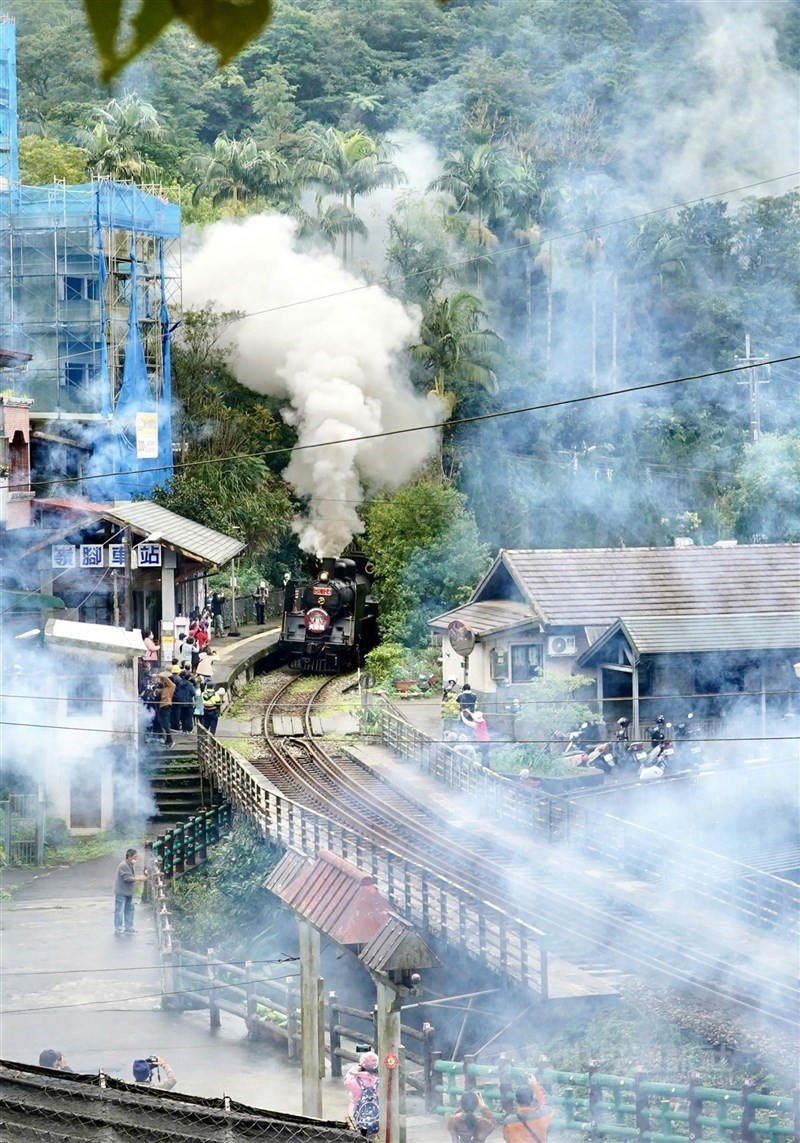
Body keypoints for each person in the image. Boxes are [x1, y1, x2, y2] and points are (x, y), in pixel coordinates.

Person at [502, 1077, 552, 1143]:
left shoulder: (509, 1122)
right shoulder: (543, 1115)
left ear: (516, 1101)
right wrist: (535, 1085)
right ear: (532, 1101)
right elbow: (547, 1103)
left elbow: (507, 1138)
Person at [344, 1051, 380, 1139]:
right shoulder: (380, 1081)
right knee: (373, 1138)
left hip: (356, 1117)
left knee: (356, 1138)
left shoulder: (353, 1082)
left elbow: (346, 1078)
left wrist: (356, 1069)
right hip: (375, 1118)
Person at [113, 848, 147, 935]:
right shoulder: (123, 865)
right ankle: (118, 927)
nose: (136, 859)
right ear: (129, 857)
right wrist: (139, 878)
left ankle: (129, 927)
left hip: (128, 892)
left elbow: (131, 877)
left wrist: (138, 879)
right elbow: (127, 878)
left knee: (129, 909)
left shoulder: (129, 864)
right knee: (119, 910)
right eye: (135, 857)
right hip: (121, 891)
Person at [154, 671, 175, 746]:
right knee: (163, 724)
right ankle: (167, 740)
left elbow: (165, 678)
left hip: (166, 706)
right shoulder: (164, 688)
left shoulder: (172, 686)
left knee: (166, 725)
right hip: (162, 706)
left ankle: (170, 741)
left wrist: (158, 675)